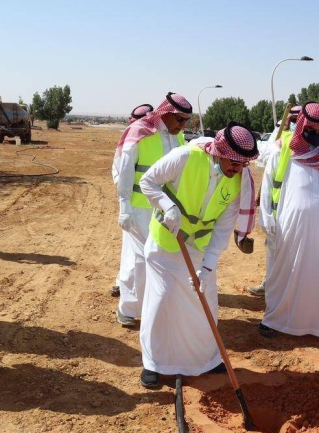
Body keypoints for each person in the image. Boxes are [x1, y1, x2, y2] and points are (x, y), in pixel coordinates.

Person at [137, 123, 258, 388]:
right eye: (233, 162)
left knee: (205, 301)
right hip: (167, 243)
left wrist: (209, 266)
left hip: (200, 249)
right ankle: (154, 363)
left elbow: (224, 226)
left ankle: (206, 360)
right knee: (163, 300)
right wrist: (167, 207)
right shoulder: (185, 156)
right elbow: (148, 181)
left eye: (243, 164)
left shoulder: (238, 181)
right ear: (220, 152)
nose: (237, 169)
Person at [258, 102, 319, 339]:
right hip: (289, 223)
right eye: (310, 129)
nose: (315, 134)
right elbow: (268, 183)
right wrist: (267, 217)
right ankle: (275, 320)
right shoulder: (284, 147)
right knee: (283, 270)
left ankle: (318, 324)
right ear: (301, 125)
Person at [111, 93, 191, 327]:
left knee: (160, 258)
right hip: (139, 208)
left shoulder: (179, 137)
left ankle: (155, 305)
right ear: (165, 114)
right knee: (139, 260)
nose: (182, 125)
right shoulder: (140, 132)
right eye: (179, 119)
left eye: (186, 120)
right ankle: (128, 308)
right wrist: (124, 207)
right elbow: (124, 172)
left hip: (166, 210)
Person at [246, 105, 303, 297]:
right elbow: (265, 163)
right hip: (277, 207)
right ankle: (269, 284)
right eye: (292, 120)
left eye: (297, 120)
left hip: (298, 208)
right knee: (274, 248)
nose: (294, 124)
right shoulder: (279, 139)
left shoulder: (313, 143)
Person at [110, 103, 155, 298]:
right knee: (134, 251)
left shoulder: (161, 138)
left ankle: (132, 286)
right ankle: (125, 285)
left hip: (156, 207)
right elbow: (118, 170)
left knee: (143, 252)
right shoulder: (132, 139)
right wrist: (125, 204)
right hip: (135, 206)